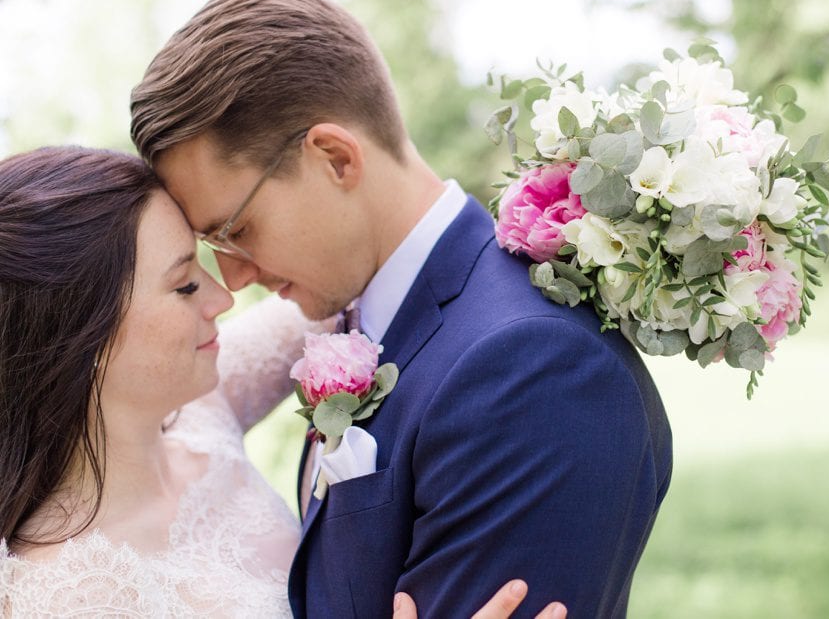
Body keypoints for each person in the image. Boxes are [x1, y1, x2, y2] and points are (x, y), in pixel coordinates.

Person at [130, 0, 673, 618]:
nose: (234, 277)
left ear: (334, 158)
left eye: (236, 231)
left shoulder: (531, 368)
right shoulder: (373, 313)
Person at [0, 146, 565, 619]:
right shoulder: (62, 597)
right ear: (83, 337)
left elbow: (353, 267)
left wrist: (577, 222)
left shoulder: (202, 414)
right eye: (184, 286)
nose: (222, 298)